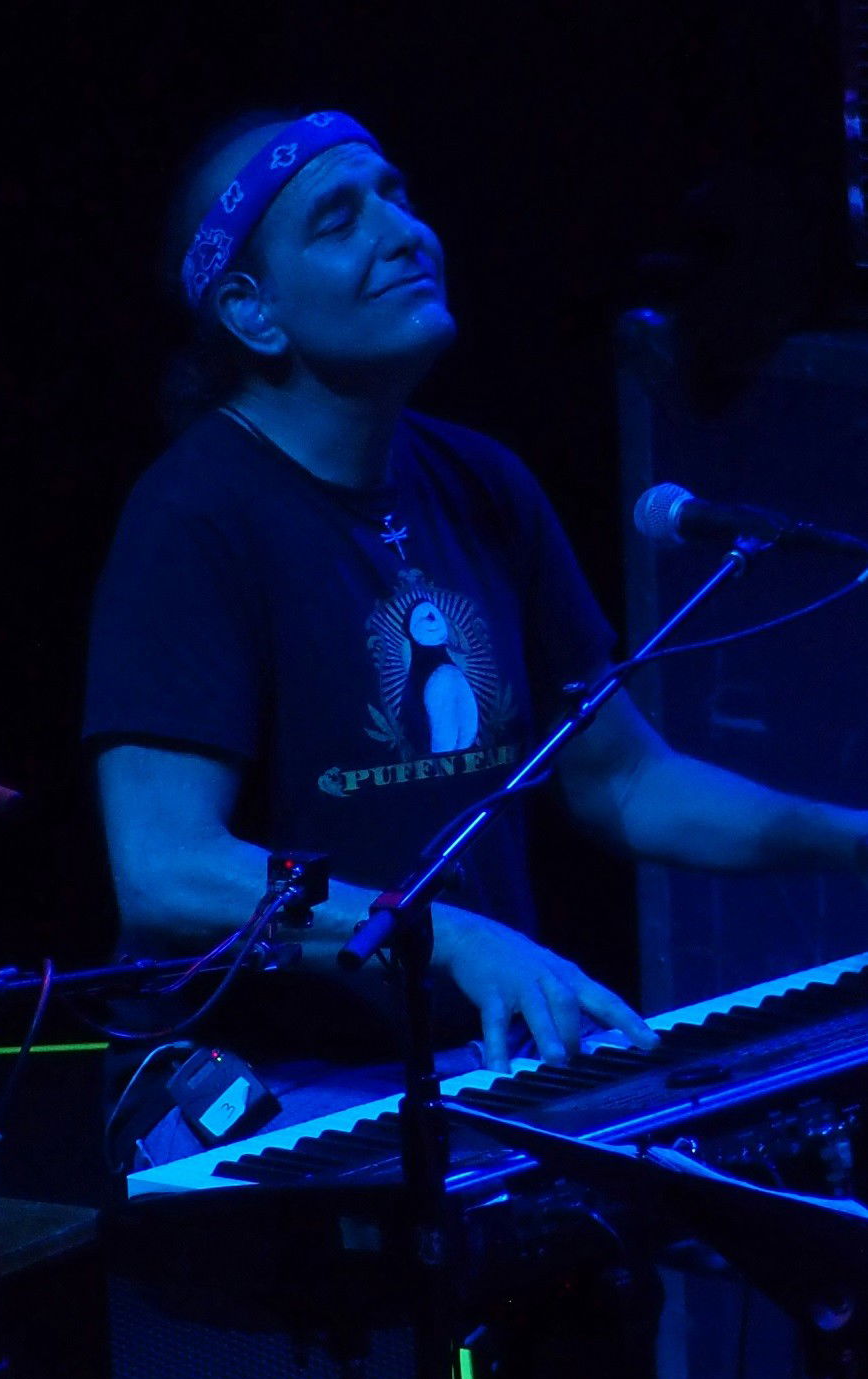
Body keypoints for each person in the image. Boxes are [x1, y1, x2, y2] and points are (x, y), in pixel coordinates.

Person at [83, 108, 868, 1174]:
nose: (402, 231)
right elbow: (167, 867)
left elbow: (625, 779)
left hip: (460, 1067)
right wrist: (449, 934)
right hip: (276, 1095)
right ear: (252, 312)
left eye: (397, 194)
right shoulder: (194, 517)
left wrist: (853, 838)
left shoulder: (483, 483)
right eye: (338, 219)